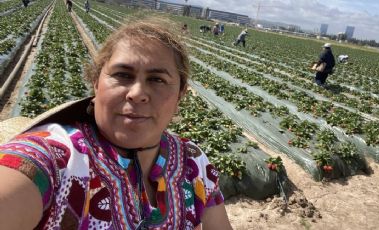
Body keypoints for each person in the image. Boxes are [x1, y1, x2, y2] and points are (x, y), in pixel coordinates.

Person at [0, 20, 232, 229]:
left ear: (180, 94)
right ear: (96, 82)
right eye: (123, 74)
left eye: (157, 79)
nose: (138, 93)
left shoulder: (194, 163)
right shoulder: (57, 159)